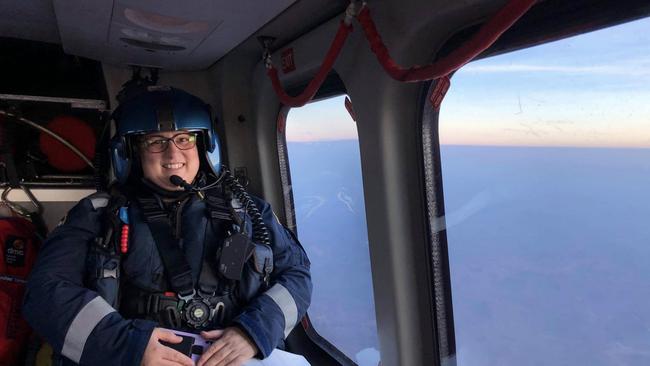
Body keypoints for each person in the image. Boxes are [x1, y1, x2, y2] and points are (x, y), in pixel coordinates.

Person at [23, 86, 312, 366]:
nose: (173, 155)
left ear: (204, 146)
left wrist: (254, 332)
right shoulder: (95, 214)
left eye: (184, 139)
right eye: (156, 142)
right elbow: (45, 292)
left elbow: (296, 275)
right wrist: (127, 346)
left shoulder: (249, 210)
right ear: (132, 153)